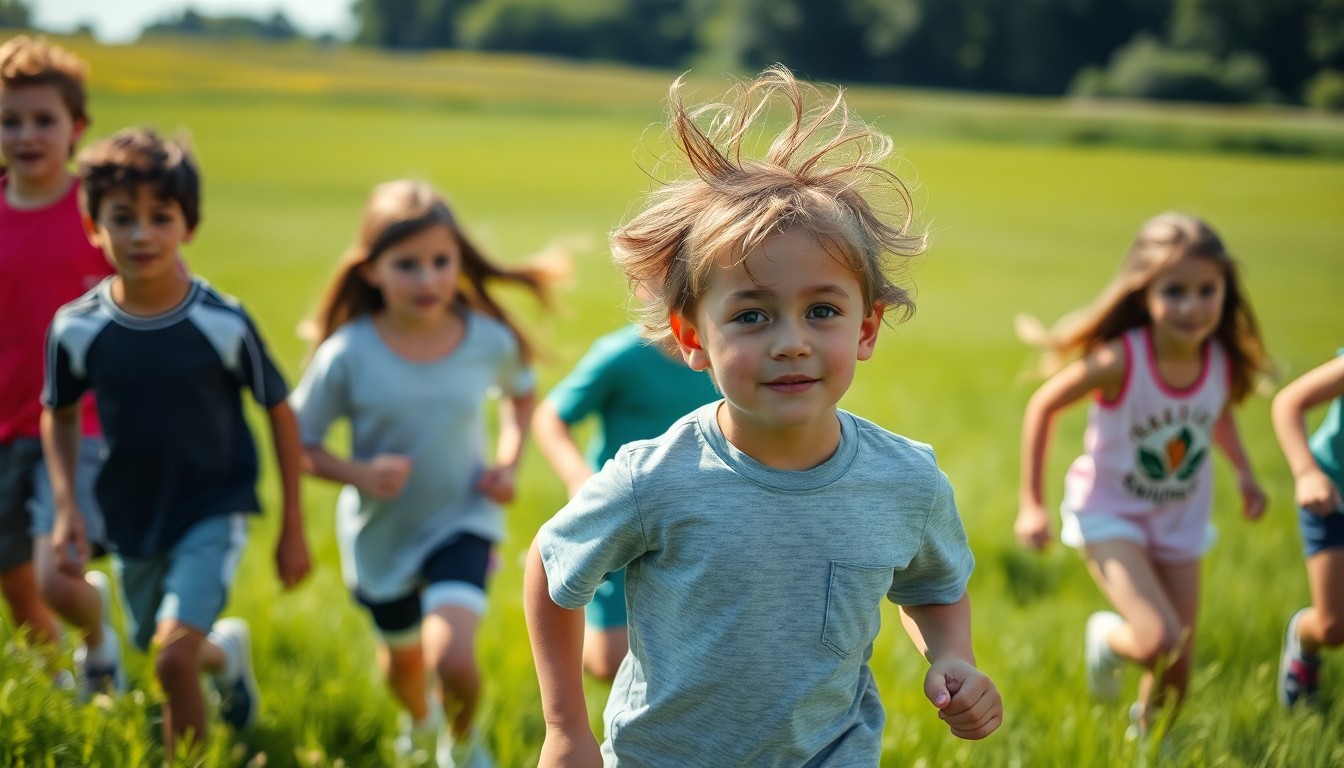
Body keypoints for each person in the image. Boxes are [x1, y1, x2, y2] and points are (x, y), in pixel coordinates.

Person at [524, 66, 1002, 767]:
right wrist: (566, 729)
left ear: (866, 329)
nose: (791, 340)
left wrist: (951, 657)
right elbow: (549, 564)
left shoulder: (905, 480)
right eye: (751, 315)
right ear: (694, 340)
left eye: (823, 311)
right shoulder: (653, 479)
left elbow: (932, 586)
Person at [41, 127, 311, 755]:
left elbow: (278, 408)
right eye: (122, 218)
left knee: (167, 658)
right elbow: (57, 412)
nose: (141, 235)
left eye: (160, 217)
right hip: (133, 512)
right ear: (92, 226)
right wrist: (65, 506)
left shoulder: (221, 321)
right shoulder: (75, 330)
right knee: (157, 645)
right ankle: (227, 656)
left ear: (188, 225)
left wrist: (292, 523)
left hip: (213, 508)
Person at [290, 179, 556, 768]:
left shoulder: (486, 340)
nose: (429, 278)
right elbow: (300, 443)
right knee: (404, 664)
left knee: (451, 657)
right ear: (370, 271)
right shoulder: (348, 354)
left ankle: (463, 745)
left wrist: (508, 463)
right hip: (380, 535)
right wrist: (358, 473)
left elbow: (520, 395)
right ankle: (418, 720)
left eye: (441, 261)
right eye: (407, 264)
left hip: (462, 516)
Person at [1013, 212, 1272, 737]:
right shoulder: (1122, 360)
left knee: (1178, 665)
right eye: (1174, 291)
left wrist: (1245, 473)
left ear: (1226, 292)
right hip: (1110, 517)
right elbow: (1043, 406)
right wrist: (1032, 503)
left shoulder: (1219, 360)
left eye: (1206, 290)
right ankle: (1108, 638)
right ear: (1144, 293)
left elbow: (1216, 413)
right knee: (1157, 640)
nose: (1192, 306)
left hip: (1179, 521)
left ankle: (1149, 741)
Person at [0, 34, 120, 696]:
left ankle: (100, 642)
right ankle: (60, 692)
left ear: (77, 129)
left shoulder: (99, 220)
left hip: (80, 427)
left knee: (55, 574)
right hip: (4, 424)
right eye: (9, 120)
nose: (25, 134)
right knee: (16, 585)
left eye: (43, 119)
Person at [532, 320, 719, 682]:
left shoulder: (728, 353)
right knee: (611, 663)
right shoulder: (622, 355)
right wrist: (576, 476)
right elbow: (551, 416)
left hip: (702, 516)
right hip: (625, 517)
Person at [1270, 351, 1344, 707]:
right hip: (1330, 497)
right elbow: (1289, 403)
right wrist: (1306, 472)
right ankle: (1304, 637)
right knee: (1334, 627)